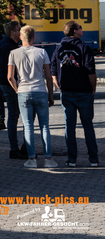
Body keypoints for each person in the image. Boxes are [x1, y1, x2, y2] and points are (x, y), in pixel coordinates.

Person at [50, 21, 99, 167]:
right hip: (84, 92)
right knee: (87, 125)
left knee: (69, 126)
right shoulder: (84, 48)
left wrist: (58, 85)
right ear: (75, 31)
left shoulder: (59, 49)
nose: (82, 29)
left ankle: (71, 159)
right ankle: (93, 159)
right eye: (80, 27)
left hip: (67, 92)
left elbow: (53, 70)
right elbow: (91, 72)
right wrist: (93, 88)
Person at [7, 26, 57, 168]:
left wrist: (18, 90)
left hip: (23, 91)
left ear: (21, 37)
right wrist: (50, 96)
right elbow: (48, 76)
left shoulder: (13, 53)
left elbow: (10, 77)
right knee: (45, 126)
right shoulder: (42, 52)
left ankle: (31, 159)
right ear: (33, 37)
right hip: (40, 91)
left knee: (28, 127)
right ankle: (48, 160)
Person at [0, 20, 28, 159]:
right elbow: (9, 70)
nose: (20, 31)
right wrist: (16, 87)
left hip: (10, 83)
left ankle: (19, 147)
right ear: (12, 32)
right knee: (14, 115)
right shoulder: (9, 46)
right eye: (18, 29)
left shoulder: (10, 45)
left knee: (15, 115)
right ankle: (15, 149)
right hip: (11, 85)